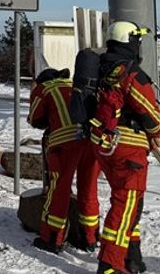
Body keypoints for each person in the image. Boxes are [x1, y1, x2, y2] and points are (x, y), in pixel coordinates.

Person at [90, 21, 160, 274]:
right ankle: (110, 264)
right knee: (125, 204)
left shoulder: (100, 68)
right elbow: (148, 110)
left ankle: (132, 256)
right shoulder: (131, 72)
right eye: (137, 40)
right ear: (130, 41)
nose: (139, 44)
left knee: (131, 202)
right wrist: (155, 133)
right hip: (128, 148)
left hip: (106, 144)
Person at [28, 67, 102, 254]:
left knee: (59, 189)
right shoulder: (74, 85)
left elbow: (34, 118)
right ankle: (90, 237)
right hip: (91, 142)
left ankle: (53, 238)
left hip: (64, 145)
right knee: (89, 188)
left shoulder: (44, 89)